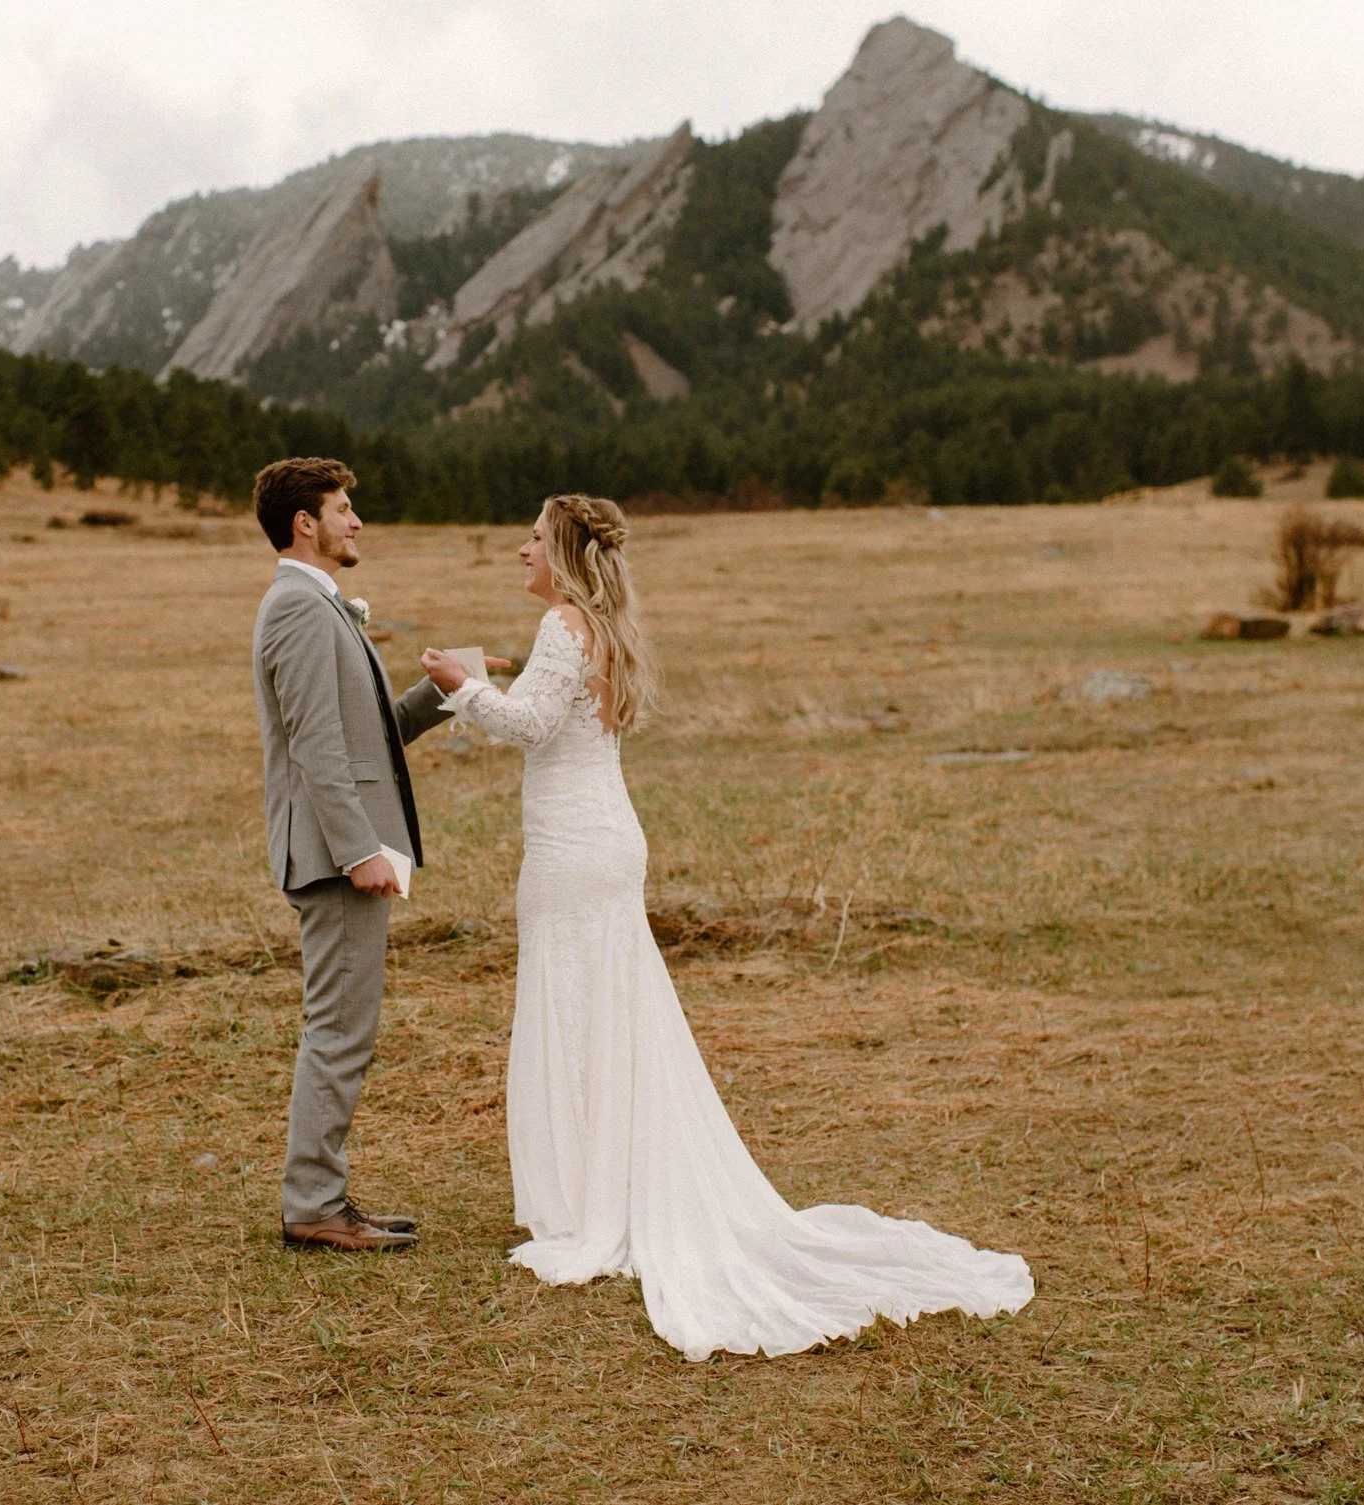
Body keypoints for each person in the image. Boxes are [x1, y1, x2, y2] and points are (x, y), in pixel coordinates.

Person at [416, 493, 1034, 1358]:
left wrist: (462, 686)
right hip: (599, 840)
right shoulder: (593, 625)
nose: (520, 549)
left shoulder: (565, 623)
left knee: (572, 1009)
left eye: (532, 537)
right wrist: (484, 685)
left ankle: (587, 1205)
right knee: (604, 1012)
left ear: (562, 550)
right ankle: (607, 1187)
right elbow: (553, 725)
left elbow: (529, 726)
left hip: (574, 854)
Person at [250, 457, 449, 1252]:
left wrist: (442, 691)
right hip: (336, 856)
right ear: (306, 521)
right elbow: (316, 746)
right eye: (342, 508)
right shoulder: (296, 608)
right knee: (337, 1028)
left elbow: (367, 739)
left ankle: (320, 1196)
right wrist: (360, 847)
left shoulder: (320, 605)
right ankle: (313, 1205)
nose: (355, 521)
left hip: (347, 850)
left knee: (344, 1026)